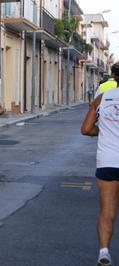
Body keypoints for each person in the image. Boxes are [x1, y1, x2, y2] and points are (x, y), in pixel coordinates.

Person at [81, 66, 119, 266]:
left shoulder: (102, 98)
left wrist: (103, 131)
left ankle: (104, 252)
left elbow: (86, 129)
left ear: (113, 76)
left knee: (107, 212)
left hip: (108, 161)